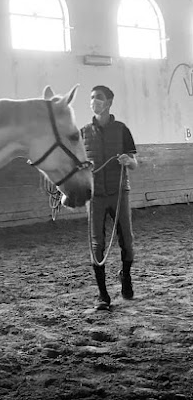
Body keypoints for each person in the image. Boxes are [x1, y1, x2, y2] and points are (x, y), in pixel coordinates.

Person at [81, 85, 138, 310]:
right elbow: (76, 163)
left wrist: (128, 161)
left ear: (109, 102)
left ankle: (126, 275)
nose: (95, 101)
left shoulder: (122, 129)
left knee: (128, 242)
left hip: (118, 193)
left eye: (99, 98)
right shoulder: (83, 132)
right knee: (97, 244)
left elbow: (135, 164)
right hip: (94, 196)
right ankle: (102, 294)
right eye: (92, 97)